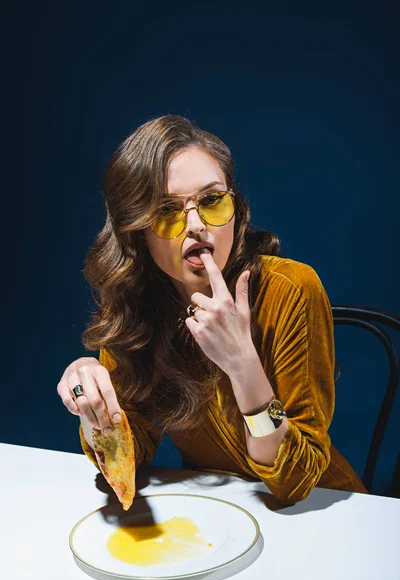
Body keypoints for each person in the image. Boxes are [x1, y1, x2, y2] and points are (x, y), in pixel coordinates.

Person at [56, 114, 367, 505]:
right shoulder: (138, 304)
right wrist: (91, 403)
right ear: (136, 232)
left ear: (235, 206)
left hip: (324, 512)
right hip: (218, 516)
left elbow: (297, 481)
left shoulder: (291, 290)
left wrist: (244, 367)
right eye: (167, 210)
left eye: (211, 201)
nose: (196, 225)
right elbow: (128, 464)